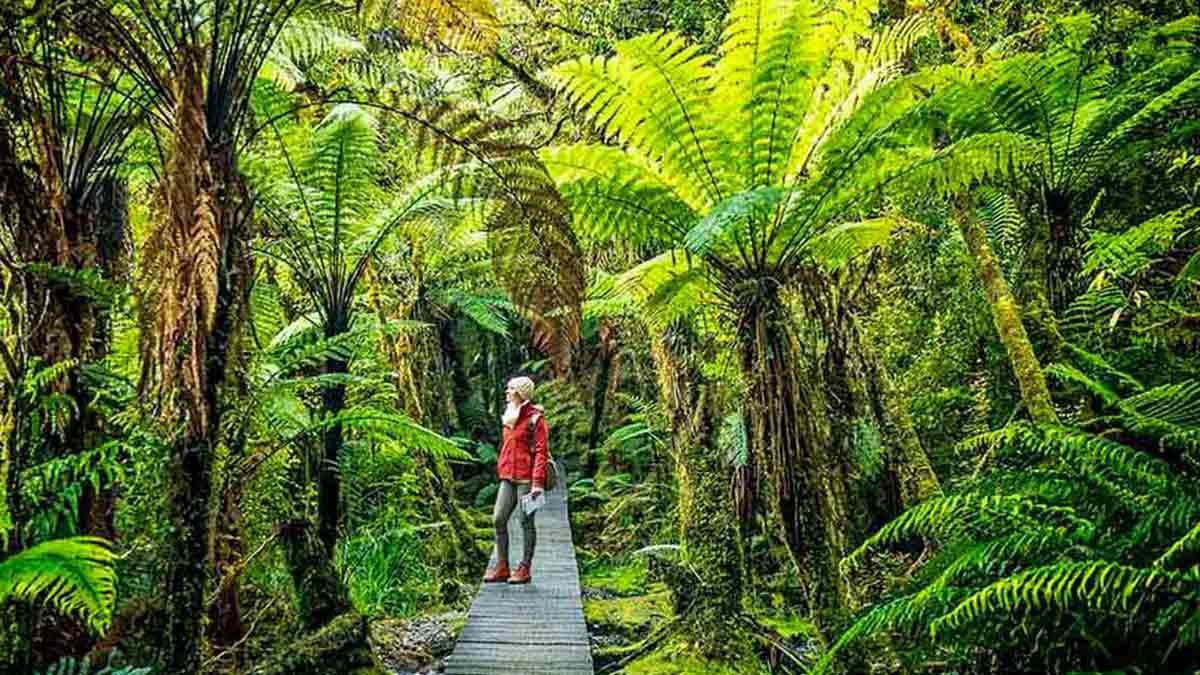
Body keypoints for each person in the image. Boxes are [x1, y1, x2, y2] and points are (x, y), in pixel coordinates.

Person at [483, 376, 549, 584]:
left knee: (525, 521)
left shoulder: (534, 418)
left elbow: (541, 452)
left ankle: (524, 568)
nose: (506, 392)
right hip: (508, 476)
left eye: (510, 389)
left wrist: (537, 483)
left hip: (527, 478)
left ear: (520, 393)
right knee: (498, 519)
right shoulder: (509, 416)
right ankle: (502, 566)